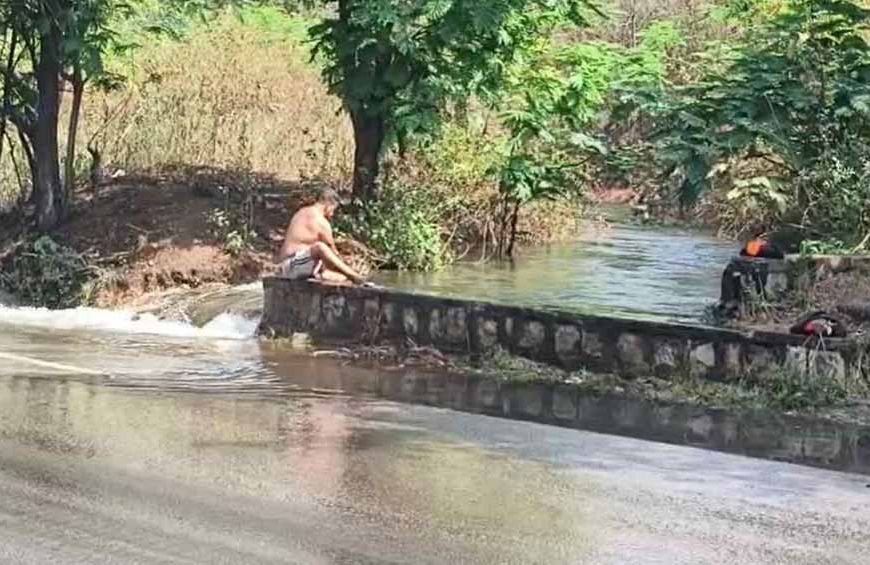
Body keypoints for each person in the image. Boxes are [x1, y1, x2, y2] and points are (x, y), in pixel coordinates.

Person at [278, 188, 366, 285]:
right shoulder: (321, 221)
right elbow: (331, 250)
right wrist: (346, 264)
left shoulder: (301, 212)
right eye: (333, 209)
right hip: (291, 265)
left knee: (338, 276)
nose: (332, 214)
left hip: (296, 264)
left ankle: (332, 275)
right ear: (329, 205)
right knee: (320, 247)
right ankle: (355, 277)